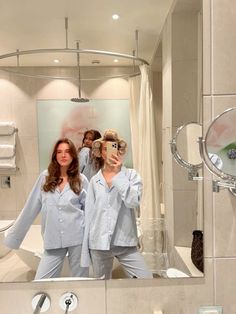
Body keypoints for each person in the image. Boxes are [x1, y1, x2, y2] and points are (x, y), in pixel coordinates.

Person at [4, 138, 89, 279]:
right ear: (55, 155)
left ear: (73, 155)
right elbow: (30, 208)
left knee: (81, 283)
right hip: (53, 238)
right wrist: (14, 238)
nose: (63, 155)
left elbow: (90, 212)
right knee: (42, 282)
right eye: (59, 152)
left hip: (77, 238)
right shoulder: (45, 178)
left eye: (67, 152)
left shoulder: (82, 180)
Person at [81, 129, 153, 279]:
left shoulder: (131, 175)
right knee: (101, 289)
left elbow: (133, 202)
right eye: (105, 149)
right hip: (99, 244)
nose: (110, 152)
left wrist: (119, 174)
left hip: (125, 242)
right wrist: (86, 248)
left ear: (119, 151)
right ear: (101, 152)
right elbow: (89, 215)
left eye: (114, 147)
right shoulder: (95, 180)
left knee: (146, 279)